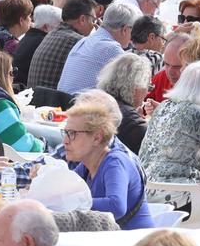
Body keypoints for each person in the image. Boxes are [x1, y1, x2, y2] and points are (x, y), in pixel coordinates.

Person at [61, 90, 150, 230]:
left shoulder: (115, 162)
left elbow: (116, 206)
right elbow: (64, 189)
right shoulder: (86, 166)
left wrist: (72, 201)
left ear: (97, 137)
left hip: (136, 245)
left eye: (72, 134)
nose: (65, 141)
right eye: (65, 132)